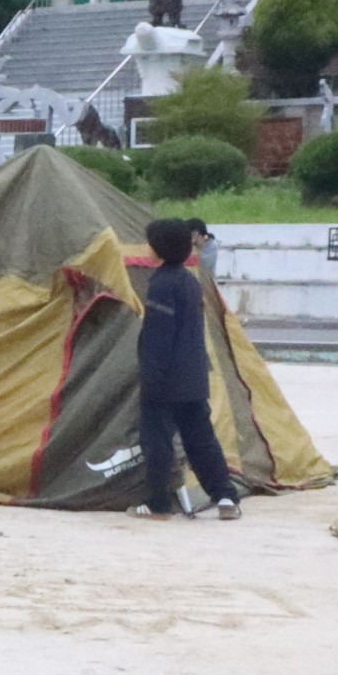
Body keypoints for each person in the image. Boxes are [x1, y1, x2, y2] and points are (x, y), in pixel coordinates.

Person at [134, 216, 241, 521]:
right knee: (201, 440)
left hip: (165, 379)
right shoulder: (189, 281)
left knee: (157, 442)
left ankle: (159, 504)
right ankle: (225, 497)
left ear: (160, 248)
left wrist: (151, 379)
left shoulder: (161, 285)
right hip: (193, 376)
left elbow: (159, 337)